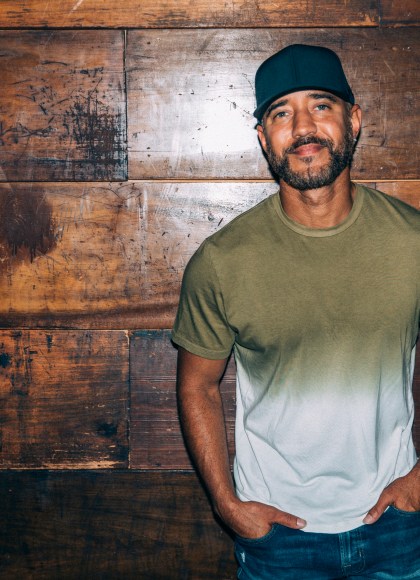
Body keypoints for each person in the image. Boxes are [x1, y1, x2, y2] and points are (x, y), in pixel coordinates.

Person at [172, 44, 420, 579]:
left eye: (321, 106)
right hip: (279, 539)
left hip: (399, 528)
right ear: (264, 138)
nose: (303, 127)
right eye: (281, 113)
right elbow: (197, 386)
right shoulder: (222, 262)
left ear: (354, 120)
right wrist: (227, 504)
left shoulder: (413, 243)